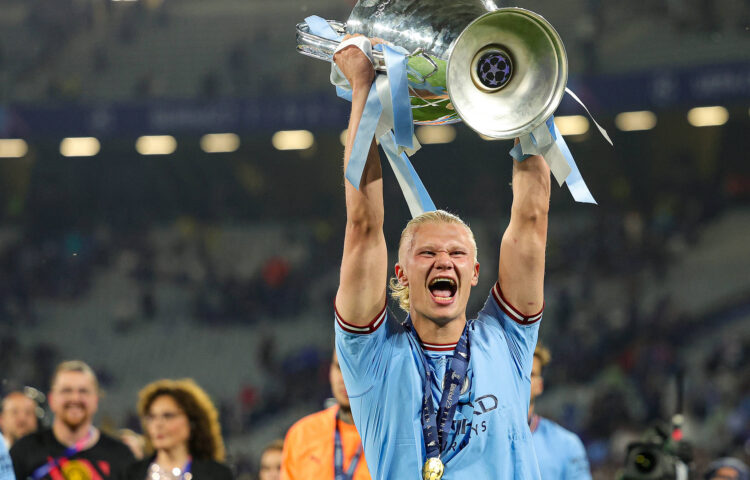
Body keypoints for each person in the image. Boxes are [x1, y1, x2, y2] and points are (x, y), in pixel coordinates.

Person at [332, 35, 550, 479]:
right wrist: (362, 87)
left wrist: (524, 92)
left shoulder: (507, 339)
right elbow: (363, 228)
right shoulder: (370, 355)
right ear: (400, 273)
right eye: (427, 252)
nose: (444, 261)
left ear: (475, 272)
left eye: (457, 253)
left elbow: (531, 218)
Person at [10, 360, 135, 479]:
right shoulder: (24, 451)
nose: (75, 398)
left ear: (96, 400)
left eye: (83, 391)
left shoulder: (121, 456)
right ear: (52, 399)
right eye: (66, 391)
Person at [281, 351, 370, 480]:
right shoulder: (301, 434)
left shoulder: (392, 440)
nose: (345, 378)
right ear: (330, 371)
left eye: (354, 369)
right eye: (339, 367)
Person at [121, 378, 233, 480]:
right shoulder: (131, 474)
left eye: (168, 416)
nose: (158, 424)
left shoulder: (217, 475)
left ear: (192, 422)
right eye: (151, 417)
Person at [528, 344, 591, 479]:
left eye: (531, 374)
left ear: (540, 385)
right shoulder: (483, 436)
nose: (523, 380)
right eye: (517, 373)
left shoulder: (566, 445)